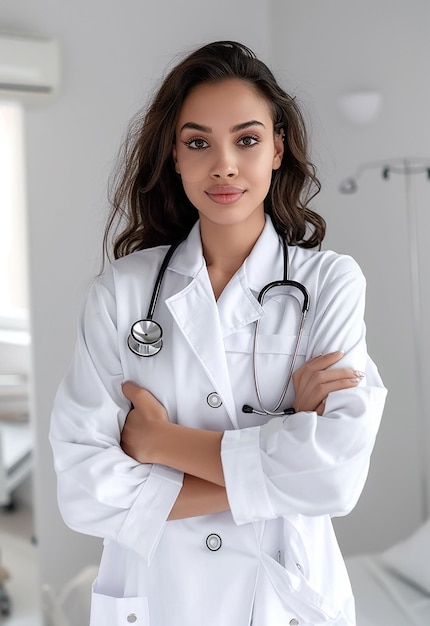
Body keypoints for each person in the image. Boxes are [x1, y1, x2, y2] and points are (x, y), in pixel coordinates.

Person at [50, 41, 387, 626]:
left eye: (248, 139)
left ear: (278, 149)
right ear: (175, 157)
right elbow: (83, 489)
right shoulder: (123, 291)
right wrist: (285, 448)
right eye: (198, 142)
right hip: (158, 596)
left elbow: (336, 476)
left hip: (285, 593)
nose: (224, 164)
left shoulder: (330, 281)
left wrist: (161, 445)